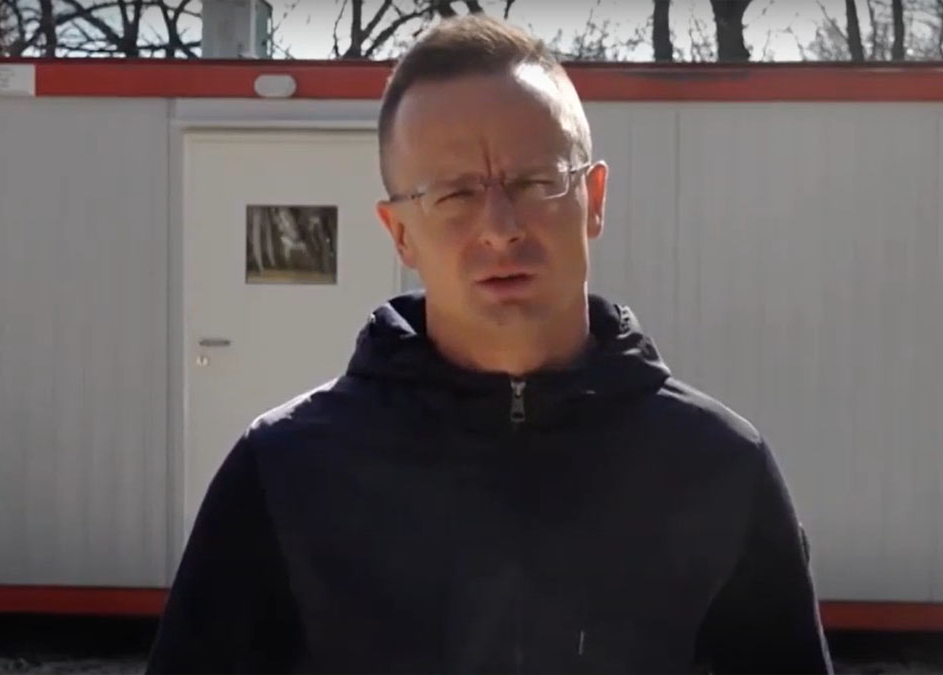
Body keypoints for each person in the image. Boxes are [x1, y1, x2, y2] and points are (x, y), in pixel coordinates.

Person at [146, 14, 832, 675]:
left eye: (536, 182)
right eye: (454, 195)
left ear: (594, 199)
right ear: (400, 233)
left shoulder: (718, 469)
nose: (501, 227)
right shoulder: (284, 474)